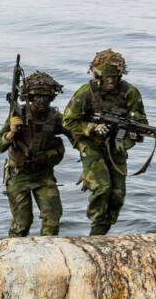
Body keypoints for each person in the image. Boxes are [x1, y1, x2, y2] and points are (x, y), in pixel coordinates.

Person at [62, 50, 147, 236]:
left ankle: (104, 228)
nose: (110, 82)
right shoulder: (86, 93)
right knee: (102, 187)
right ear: (98, 76)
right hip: (90, 144)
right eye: (106, 78)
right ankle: (97, 229)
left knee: (117, 193)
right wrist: (92, 127)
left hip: (116, 145)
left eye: (114, 77)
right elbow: (67, 121)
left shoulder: (129, 93)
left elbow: (142, 120)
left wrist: (133, 129)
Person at [0, 71, 68, 237]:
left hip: (43, 174)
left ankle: (47, 252)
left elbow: (77, 136)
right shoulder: (18, 115)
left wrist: (90, 166)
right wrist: (12, 132)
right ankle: (12, 255)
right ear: (29, 97)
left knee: (53, 217)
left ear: (51, 98)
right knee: (22, 223)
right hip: (18, 174)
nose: (41, 101)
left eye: (45, 97)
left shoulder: (54, 117)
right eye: (37, 96)